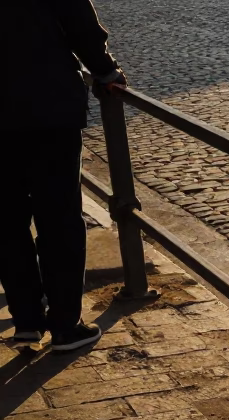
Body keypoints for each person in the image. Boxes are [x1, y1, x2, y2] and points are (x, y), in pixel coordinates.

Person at [0, 1, 127, 352]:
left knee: (7, 222)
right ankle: (65, 324)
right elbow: (79, 24)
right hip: (48, 104)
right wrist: (107, 71)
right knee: (59, 216)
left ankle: (26, 320)